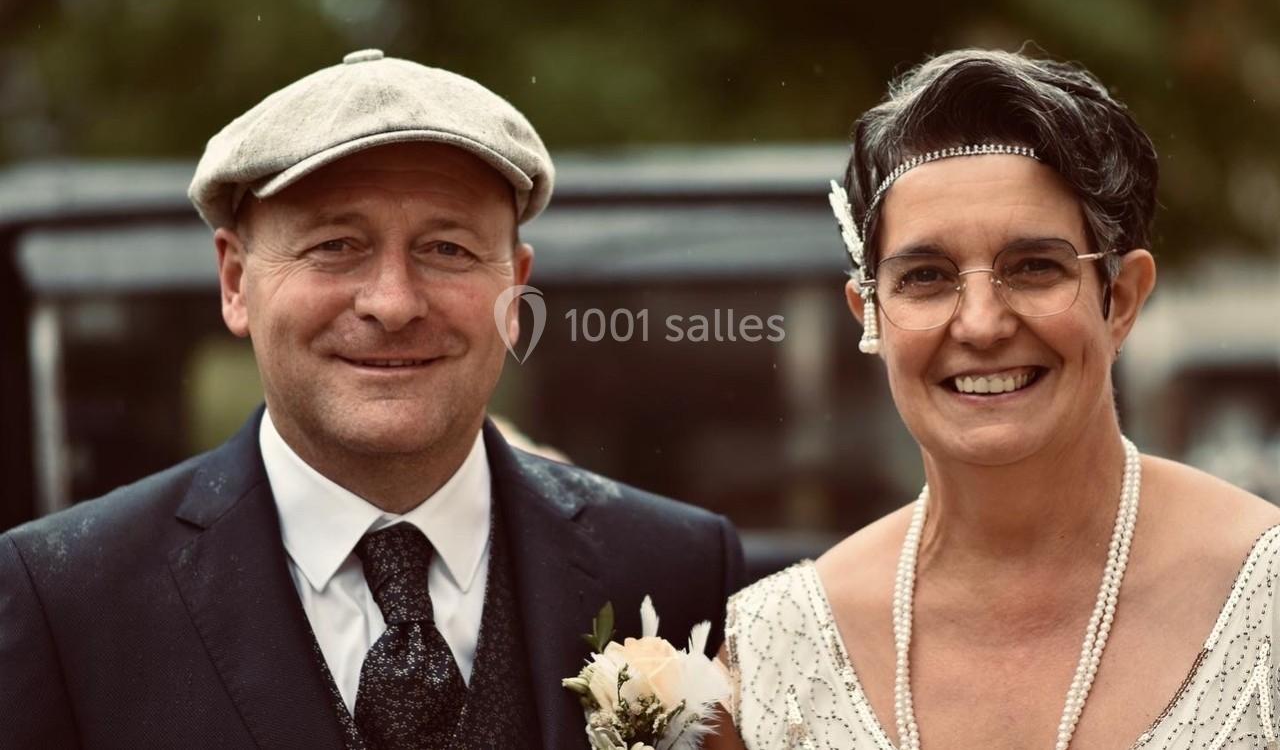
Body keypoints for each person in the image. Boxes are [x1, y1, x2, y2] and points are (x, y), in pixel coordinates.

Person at [0, 49, 745, 750]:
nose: (393, 302)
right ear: (234, 282)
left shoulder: (678, 566)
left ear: (515, 290)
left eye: (446, 248)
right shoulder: (66, 599)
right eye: (335, 245)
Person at [710, 49, 1280, 748]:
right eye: (925, 276)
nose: (980, 323)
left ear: (1122, 299)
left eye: (1034, 268)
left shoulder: (1263, 601)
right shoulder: (775, 653)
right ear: (871, 314)